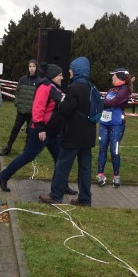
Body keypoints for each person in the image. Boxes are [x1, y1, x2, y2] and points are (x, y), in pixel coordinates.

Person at [0, 63, 68, 193]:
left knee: (60, 158)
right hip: (41, 131)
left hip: (51, 132)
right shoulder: (45, 88)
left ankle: (62, 185)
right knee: (28, 156)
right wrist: (40, 128)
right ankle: (3, 176)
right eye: (60, 75)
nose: (62, 78)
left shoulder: (55, 88)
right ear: (52, 76)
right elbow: (37, 109)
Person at [40, 57, 97, 206]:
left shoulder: (74, 88)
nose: (69, 72)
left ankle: (56, 194)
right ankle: (85, 198)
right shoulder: (91, 87)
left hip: (73, 134)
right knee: (85, 168)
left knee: (63, 165)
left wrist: (62, 102)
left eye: (71, 69)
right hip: (88, 134)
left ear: (77, 70)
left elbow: (67, 109)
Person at [95, 67, 131, 187]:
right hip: (104, 123)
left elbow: (112, 102)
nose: (112, 77)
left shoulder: (125, 89)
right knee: (102, 148)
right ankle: (100, 174)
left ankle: (116, 176)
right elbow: (106, 103)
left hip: (116, 124)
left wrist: (101, 102)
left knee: (114, 150)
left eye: (113, 75)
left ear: (119, 76)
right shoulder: (111, 89)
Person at [0, 59, 40, 156]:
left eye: (34, 66)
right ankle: (8, 148)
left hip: (31, 112)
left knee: (29, 132)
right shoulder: (22, 79)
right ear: (28, 67)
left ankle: (26, 150)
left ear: (36, 68)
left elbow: (39, 97)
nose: (32, 68)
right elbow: (17, 92)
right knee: (15, 129)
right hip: (21, 111)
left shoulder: (39, 81)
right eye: (30, 66)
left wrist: (34, 108)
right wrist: (17, 103)